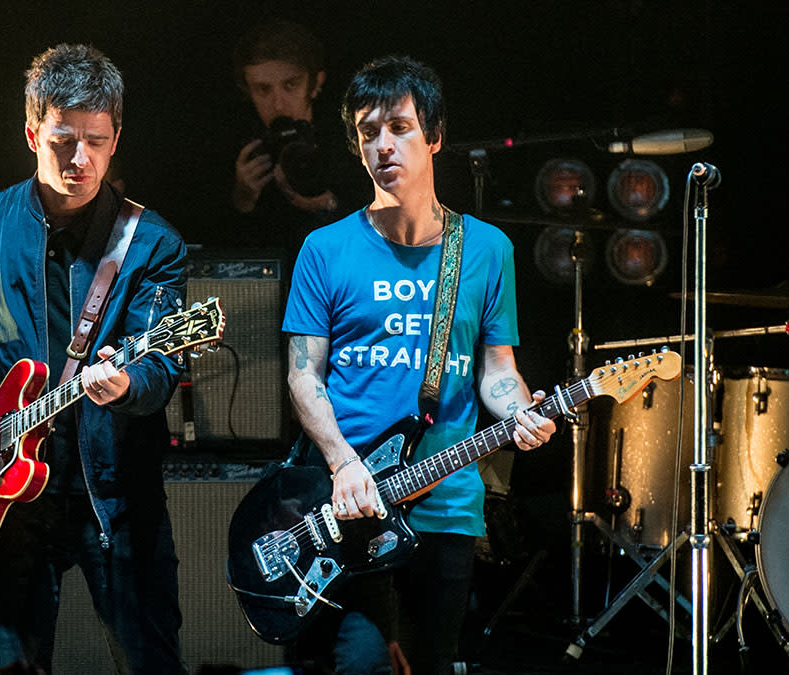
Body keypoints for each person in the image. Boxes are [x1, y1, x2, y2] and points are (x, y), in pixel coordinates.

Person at [0, 44, 188, 674]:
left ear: (116, 140)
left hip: (116, 498)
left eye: (96, 140)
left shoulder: (155, 244)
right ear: (33, 132)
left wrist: (126, 383)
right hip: (3, 496)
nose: (80, 158)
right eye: (63, 140)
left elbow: (161, 366)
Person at [281, 56, 558, 674]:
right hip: (347, 505)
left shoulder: (486, 250)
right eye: (367, 131)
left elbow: (498, 371)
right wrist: (343, 461)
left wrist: (520, 412)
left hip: (447, 505)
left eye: (400, 128)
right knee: (360, 664)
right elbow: (304, 374)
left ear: (434, 137)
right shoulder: (324, 249)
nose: (383, 145)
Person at [227, 20, 367, 260]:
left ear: (315, 84)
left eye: (290, 85)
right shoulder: (246, 154)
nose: (278, 104)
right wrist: (243, 199)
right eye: (263, 89)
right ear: (248, 92)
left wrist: (332, 206)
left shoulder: (353, 145)